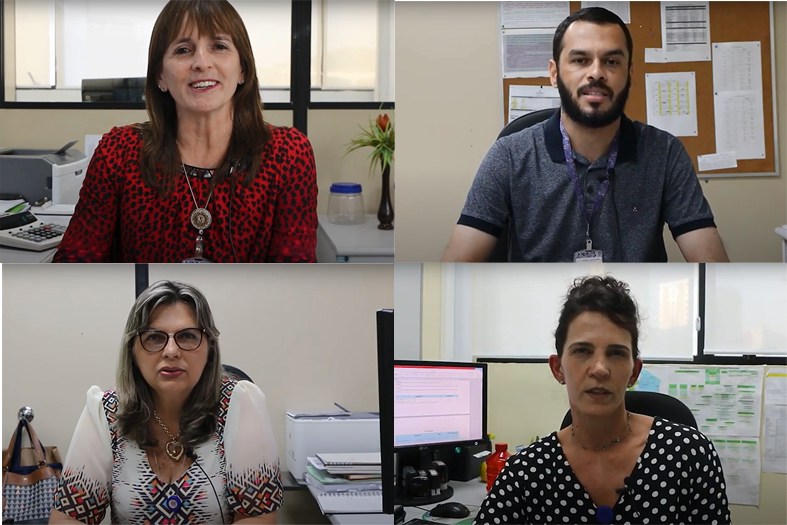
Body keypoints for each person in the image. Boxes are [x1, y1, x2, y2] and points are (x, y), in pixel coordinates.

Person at [443, 7, 729, 263]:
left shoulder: (665, 153)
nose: (596, 73)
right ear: (554, 73)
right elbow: (456, 268)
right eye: (580, 60)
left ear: (629, 74)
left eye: (612, 62)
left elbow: (710, 263)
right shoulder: (509, 155)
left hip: (634, 315)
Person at [54, 0, 317, 263]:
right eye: (183, 50)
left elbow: (294, 281)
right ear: (160, 76)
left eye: (219, 46)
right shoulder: (119, 151)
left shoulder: (288, 153)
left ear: (243, 70)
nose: (201, 63)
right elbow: (75, 266)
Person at [474, 276, 730, 525]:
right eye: (582, 351)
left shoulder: (689, 453)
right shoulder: (526, 470)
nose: (599, 369)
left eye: (616, 353)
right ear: (558, 368)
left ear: (634, 372)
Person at [49, 281, 282, 524]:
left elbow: (258, 516)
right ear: (133, 351)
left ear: (210, 348)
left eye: (188, 336)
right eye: (154, 337)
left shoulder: (239, 403)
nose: (171, 351)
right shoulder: (106, 411)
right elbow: (69, 518)